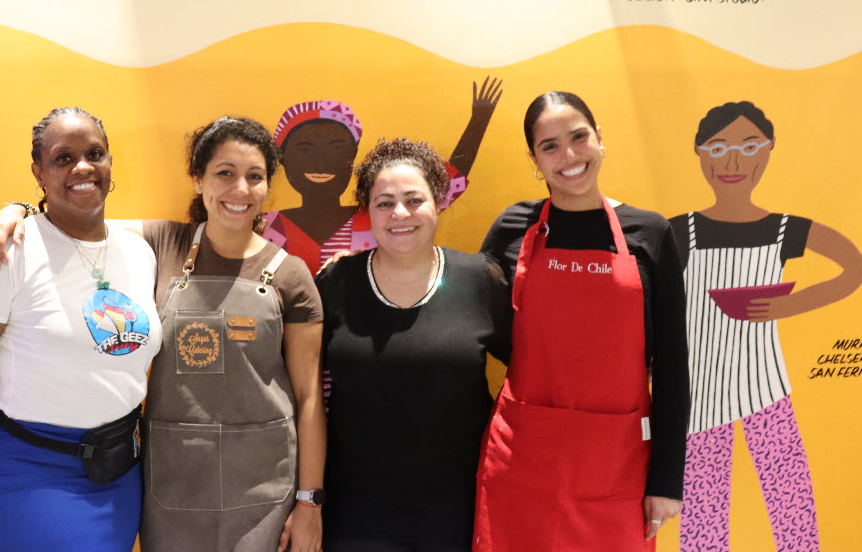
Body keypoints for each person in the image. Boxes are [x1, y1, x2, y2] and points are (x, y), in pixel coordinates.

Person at [0, 116, 326, 552]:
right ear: (198, 180)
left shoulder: (291, 275)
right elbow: (72, 213)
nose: (240, 190)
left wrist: (310, 501)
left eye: (255, 177)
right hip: (171, 484)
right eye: (224, 174)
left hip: (263, 485)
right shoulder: (162, 242)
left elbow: (309, 399)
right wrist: (18, 209)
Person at [0, 107, 161, 551]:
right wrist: (12, 431)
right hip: (29, 474)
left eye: (95, 153)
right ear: (39, 172)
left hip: (119, 470)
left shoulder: (139, 251)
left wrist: (19, 205)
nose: (83, 167)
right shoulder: (9, 251)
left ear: (109, 165)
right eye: (63, 158)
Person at [474, 91, 690, 550]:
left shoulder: (649, 233)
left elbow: (672, 362)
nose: (569, 156)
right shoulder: (513, 228)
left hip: (616, 466)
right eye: (550, 146)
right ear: (534, 159)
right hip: (522, 462)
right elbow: (468, 321)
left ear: (599, 140)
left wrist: (668, 479)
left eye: (578, 137)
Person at [672, 101, 862, 552]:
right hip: (700, 394)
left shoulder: (783, 229)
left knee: (793, 512)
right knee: (702, 521)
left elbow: (853, 268)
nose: (733, 162)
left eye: (749, 146)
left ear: (769, 151)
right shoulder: (679, 231)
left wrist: (787, 307)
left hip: (766, 385)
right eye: (717, 149)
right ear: (699, 154)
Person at [316, 138, 511, 551]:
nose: (399, 214)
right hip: (355, 513)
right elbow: (297, 388)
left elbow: (528, 376)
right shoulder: (337, 283)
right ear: (367, 212)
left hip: (459, 509)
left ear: (438, 202)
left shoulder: (479, 279)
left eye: (413, 199)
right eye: (384, 202)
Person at [264, 77, 502, 276]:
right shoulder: (265, 226)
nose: (321, 161)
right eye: (304, 149)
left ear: (353, 155)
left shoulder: (382, 217)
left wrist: (478, 121)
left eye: (336, 148)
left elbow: (448, 182)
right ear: (282, 157)